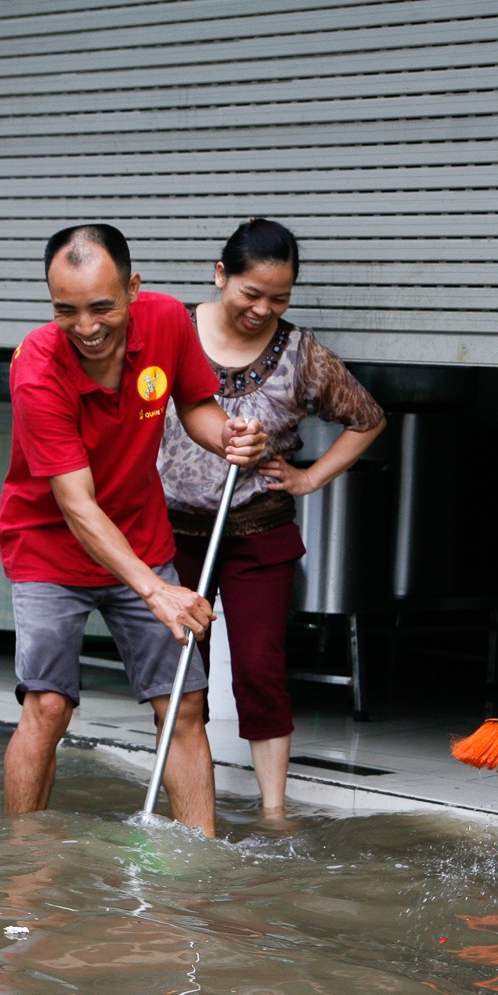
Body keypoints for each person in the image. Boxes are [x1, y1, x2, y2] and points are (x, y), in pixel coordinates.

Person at [0, 225, 266, 838]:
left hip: (141, 536)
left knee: (184, 704)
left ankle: (199, 854)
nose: (86, 327)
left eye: (101, 307)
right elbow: (76, 506)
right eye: (65, 310)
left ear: (133, 289)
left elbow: (196, 404)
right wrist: (156, 591)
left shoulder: (168, 321)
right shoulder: (37, 367)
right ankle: (23, 857)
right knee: (48, 704)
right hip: (49, 546)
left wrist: (226, 434)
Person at [157, 219, 387, 816]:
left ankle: (274, 811)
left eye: (278, 298)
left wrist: (310, 478)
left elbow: (368, 418)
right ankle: (188, 803)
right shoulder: (171, 333)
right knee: (181, 673)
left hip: (258, 529)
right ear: (220, 276)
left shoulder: (301, 352)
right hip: (172, 531)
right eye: (250, 293)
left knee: (260, 667)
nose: (263, 309)